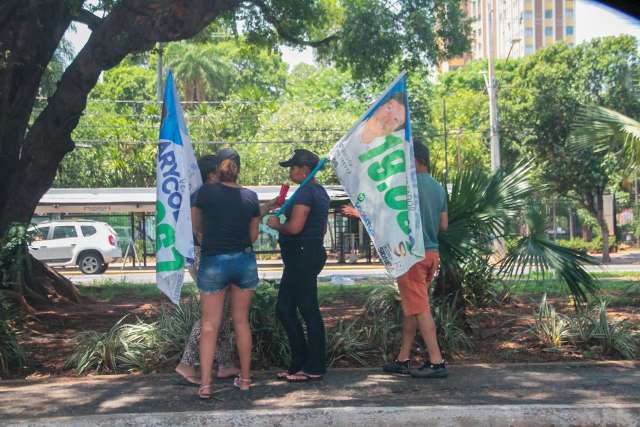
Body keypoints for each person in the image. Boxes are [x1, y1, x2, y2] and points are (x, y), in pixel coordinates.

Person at [194, 148, 261, 399]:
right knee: (241, 322)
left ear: (218, 170)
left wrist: (210, 236)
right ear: (238, 168)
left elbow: (196, 225)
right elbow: (253, 236)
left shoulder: (205, 192)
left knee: (210, 325)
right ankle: (244, 381)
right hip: (244, 261)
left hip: (213, 261)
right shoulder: (251, 197)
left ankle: (206, 385)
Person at [383, 141, 449, 379]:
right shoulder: (439, 188)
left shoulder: (407, 186)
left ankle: (436, 361)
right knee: (413, 307)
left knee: (420, 309)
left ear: (416, 160)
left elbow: (388, 217)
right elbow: (443, 225)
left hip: (411, 256)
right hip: (432, 254)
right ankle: (403, 359)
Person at [175, 154, 239, 386]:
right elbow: (200, 231)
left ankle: (225, 363)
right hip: (207, 256)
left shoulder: (204, 195)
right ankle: (187, 363)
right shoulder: (204, 197)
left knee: (219, 312)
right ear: (212, 175)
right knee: (213, 313)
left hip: (204, 255)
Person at [267, 149, 330, 382]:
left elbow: (294, 228)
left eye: (293, 167)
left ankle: (314, 366)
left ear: (305, 169)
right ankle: (299, 364)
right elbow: (320, 228)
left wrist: (276, 225)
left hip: (302, 254)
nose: (291, 171)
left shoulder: (306, 192)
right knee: (285, 308)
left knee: (307, 309)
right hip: (306, 253)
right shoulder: (318, 192)